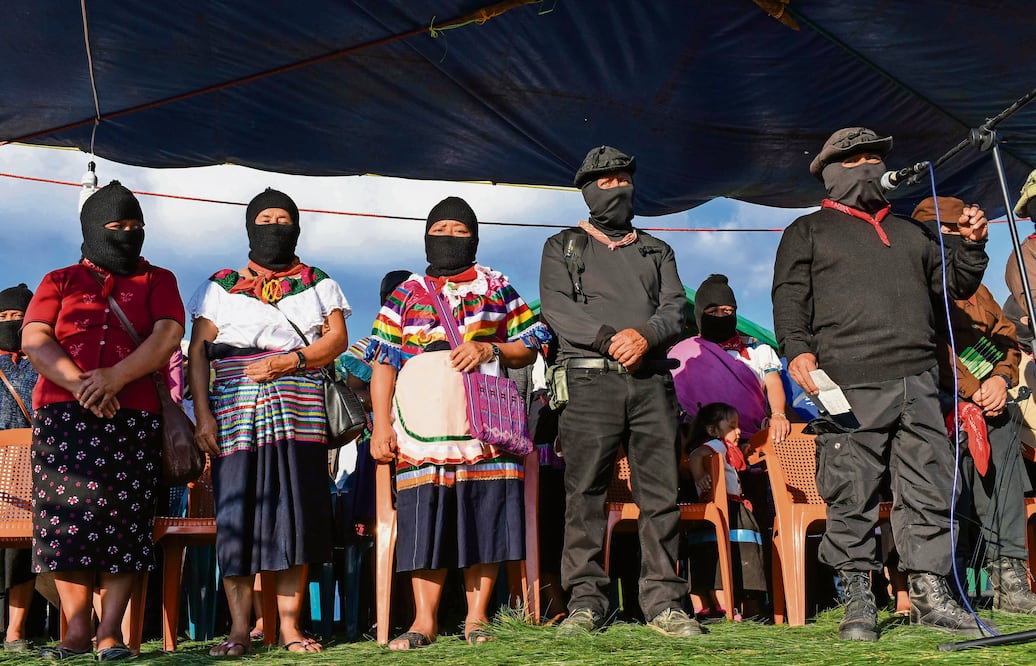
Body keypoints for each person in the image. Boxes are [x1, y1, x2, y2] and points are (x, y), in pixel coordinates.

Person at [772, 127, 990, 640]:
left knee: (928, 488)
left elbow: (953, 286)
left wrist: (974, 246)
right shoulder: (807, 231)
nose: (870, 166)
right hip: (846, 381)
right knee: (851, 489)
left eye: (876, 157)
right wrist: (797, 351)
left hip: (918, 379)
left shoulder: (914, 234)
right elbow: (788, 301)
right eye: (856, 159)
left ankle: (930, 594)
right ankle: (857, 600)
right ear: (831, 171)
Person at [367, 196, 549, 650]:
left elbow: (530, 342)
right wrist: (380, 426)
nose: (449, 236)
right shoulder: (405, 294)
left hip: (482, 421)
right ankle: (422, 622)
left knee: (483, 509)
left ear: (475, 238)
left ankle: (476, 619)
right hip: (419, 420)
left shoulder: (497, 287)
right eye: (440, 228)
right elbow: (384, 362)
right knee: (423, 514)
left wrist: (491, 349)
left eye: (460, 230)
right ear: (427, 236)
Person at [22, 181, 185, 660]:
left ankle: (110, 632)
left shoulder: (159, 279)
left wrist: (114, 377)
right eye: (116, 226)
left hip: (133, 416)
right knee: (66, 520)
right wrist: (81, 385)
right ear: (93, 230)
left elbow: (168, 335)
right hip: (63, 414)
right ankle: (75, 630)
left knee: (126, 522)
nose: (128, 234)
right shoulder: (59, 280)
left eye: (136, 226)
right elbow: (35, 337)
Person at [540, 146, 698, 638]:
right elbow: (557, 308)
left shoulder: (656, 249)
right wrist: (613, 337)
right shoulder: (561, 246)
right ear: (587, 190)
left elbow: (679, 310)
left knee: (660, 496)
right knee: (584, 493)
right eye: (605, 183)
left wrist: (645, 336)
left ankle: (665, 603)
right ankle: (586, 602)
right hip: (588, 381)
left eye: (624, 180)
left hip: (652, 380)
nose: (617, 189)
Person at [188, 188, 350, 656]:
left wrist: (290, 361)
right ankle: (240, 629)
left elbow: (336, 339)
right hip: (235, 406)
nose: (274, 227)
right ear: (248, 227)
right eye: (265, 219)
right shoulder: (219, 285)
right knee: (238, 514)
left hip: (299, 403)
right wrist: (202, 415)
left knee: (294, 511)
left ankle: (290, 628)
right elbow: (198, 351)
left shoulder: (319, 282)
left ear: (296, 227)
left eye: (283, 220)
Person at [914, 195, 1036, 614]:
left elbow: (1005, 340)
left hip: (990, 404)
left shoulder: (979, 290)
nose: (957, 240)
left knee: (1005, 483)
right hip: (939, 408)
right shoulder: (914, 286)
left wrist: (1001, 380)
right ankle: (948, 587)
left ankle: (1011, 584)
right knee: (950, 494)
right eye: (949, 233)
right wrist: (970, 392)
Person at [670, 274, 790, 442]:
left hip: (756, 440)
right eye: (712, 312)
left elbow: (773, 381)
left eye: (727, 311)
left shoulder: (757, 348)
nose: (720, 316)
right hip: (701, 441)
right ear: (699, 315)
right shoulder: (685, 353)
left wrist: (778, 414)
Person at [681, 403, 766, 619]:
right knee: (731, 551)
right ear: (712, 430)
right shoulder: (716, 445)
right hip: (727, 507)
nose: (738, 432)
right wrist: (700, 476)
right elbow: (696, 455)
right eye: (732, 426)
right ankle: (726, 605)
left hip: (722, 506)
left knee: (708, 553)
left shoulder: (725, 448)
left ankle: (707, 606)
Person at [0, 284, 38, 652]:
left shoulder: (43, 361)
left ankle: (16, 631)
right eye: (3, 317)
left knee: (21, 550)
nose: (10, 323)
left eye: (18, 317)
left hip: (30, 469)